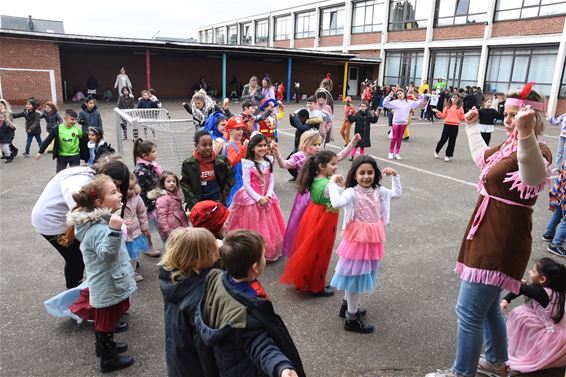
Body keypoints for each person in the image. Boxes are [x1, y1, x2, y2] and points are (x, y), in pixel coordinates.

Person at [426, 83, 552, 377]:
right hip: (490, 231)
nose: (507, 121)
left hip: (501, 239)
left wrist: (525, 133)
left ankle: (462, 373)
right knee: (489, 306)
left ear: (531, 119)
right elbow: (483, 161)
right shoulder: (510, 144)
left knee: (468, 311)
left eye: (514, 116)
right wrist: (471, 127)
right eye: (505, 115)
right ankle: (496, 362)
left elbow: (532, 174)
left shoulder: (537, 150)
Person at [194, 229, 305, 377]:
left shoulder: (217, 277)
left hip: (227, 358)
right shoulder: (246, 314)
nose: (264, 259)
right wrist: (281, 366)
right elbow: (259, 344)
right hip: (246, 368)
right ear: (255, 267)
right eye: (263, 256)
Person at [65, 175, 136, 373]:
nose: (119, 194)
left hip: (110, 281)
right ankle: (108, 358)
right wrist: (114, 230)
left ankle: (105, 347)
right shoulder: (97, 229)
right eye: (113, 192)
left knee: (110, 318)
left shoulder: (101, 220)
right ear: (99, 202)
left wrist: (115, 226)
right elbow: (106, 254)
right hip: (106, 284)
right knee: (105, 321)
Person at [31, 157, 130, 289]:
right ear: (105, 175)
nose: (117, 190)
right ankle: (74, 293)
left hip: (64, 216)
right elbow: (81, 213)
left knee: (81, 255)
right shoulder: (80, 182)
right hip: (51, 220)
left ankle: (82, 288)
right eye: (115, 184)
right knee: (75, 258)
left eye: (119, 186)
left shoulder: (95, 179)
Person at [328, 156, 401, 333]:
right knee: (355, 278)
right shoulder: (351, 192)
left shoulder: (378, 190)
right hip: (357, 243)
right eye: (362, 173)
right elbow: (336, 203)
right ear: (355, 174)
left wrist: (395, 176)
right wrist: (332, 183)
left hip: (371, 240)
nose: (366, 176)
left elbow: (397, 194)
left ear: (375, 174)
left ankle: (347, 306)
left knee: (355, 276)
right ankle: (351, 319)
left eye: (370, 172)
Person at [273, 131, 360, 257]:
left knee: (316, 226)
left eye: (319, 143)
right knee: (300, 224)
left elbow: (339, 156)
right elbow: (284, 165)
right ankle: (298, 249)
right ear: (305, 145)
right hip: (305, 198)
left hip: (320, 196)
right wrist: (277, 153)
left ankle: (313, 248)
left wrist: (352, 143)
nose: (318, 147)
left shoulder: (321, 156)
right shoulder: (299, 156)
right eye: (314, 144)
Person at [159, 227, 220, 377]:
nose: (217, 251)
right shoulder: (199, 295)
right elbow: (204, 345)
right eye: (212, 250)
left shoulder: (172, 277)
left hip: (179, 356)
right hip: (195, 364)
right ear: (197, 260)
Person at [280, 151, 340, 296]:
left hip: (313, 215)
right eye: (333, 164)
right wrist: (336, 184)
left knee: (312, 249)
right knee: (322, 251)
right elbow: (338, 200)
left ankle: (306, 279)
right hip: (325, 219)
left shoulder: (314, 179)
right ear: (321, 166)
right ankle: (316, 286)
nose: (336, 167)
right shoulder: (327, 184)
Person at [225, 134, 286, 261]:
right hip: (252, 197)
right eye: (260, 146)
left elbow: (271, 180)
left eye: (265, 145)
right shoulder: (248, 163)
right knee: (254, 224)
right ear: (252, 148)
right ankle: (251, 250)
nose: (263, 148)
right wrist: (258, 198)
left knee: (269, 225)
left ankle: (267, 248)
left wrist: (268, 195)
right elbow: (246, 184)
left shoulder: (268, 160)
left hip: (266, 197)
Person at [500, 258, 566, 374]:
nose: (530, 272)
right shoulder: (552, 289)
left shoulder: (543, 294)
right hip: (548, 322)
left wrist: (507, 277)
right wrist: (506, 299)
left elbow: (523, 289)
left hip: (547, 332)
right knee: (522, 315)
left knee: (520, 316)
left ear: (542, 279)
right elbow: (524, 289)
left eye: (533, 271)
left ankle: (525, 352)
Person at [181, 130, 234, 210]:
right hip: (198, 198)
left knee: (218, 219)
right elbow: (185, 185)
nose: (208, 148)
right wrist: (193, 203)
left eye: (210, 144)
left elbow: (230, 177)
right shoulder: (188, 164)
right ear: (196, 145)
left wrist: (224, 195)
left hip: (217, 196)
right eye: (204, 145)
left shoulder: (221, 161)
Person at [133, 138, 163, 257]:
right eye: (153, 152)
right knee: (145, 229)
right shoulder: (140, 170)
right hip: (147, 206)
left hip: (156, 203)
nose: (156, 154)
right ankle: (148, 247)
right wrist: (144, 206)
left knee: (161, 226)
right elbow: (141, 191)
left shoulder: (152, 166)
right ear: (145, 155)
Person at [123, 173, 150, 282]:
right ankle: (124, 271)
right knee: (123, 255)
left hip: (134, 232)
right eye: (129, 189)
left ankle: (132, 271)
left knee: (133, 255)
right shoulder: (116, 200)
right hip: (122, 234)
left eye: (133, 187)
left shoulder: (137, 198)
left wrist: (144, 227)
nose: (132, 191)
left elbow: (142, 213)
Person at [383, 89, 423, 160]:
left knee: (399, 138)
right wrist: (389, 96)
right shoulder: (395, 102)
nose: (399, 95)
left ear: (404, 93)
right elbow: (385, 104)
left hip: (404, 123)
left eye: (400, 93)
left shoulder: (409, 102)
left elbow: (419, 101)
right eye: (398, 94)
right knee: (394, 138)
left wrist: (420, 96)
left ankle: (397, 153)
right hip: (396, 122)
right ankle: (391, 152)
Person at [154, 171, 189, 244]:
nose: (172, 183)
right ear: (163, 184)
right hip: (171, 230)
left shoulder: (176, 195)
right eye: (168, 181)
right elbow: (161, 217)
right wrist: (167, 230)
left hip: (179, 227)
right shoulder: (162, 199)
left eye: (174, 181)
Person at [223, 116, 249, 207]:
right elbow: (233, 160)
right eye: (237, 129)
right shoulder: (229, 145)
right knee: (235, 201)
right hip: (235, 179)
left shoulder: (239, 143)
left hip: (242, 176)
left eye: (241, 129)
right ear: (230, 131)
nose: (241, 131)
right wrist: (244, 148)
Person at [543, 158, 566, 257]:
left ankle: (549, 233)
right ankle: (555, 244)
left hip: (560, 189)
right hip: (564, 191)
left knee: (558, 212)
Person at [433, 93, 465, 162]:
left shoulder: (460, 107)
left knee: (452, 141)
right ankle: (436, 151)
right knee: (443, 139)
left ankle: (447, 155)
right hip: (447, 125)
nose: (454, 99)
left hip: (455, 126)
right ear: (450, 98)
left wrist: (469, 115)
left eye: (456, 98)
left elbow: (462, 118)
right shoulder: (447, 107)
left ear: (458, 99)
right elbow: (443, 116)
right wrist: (438, 112)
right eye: (453, 97)